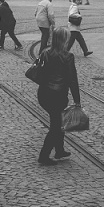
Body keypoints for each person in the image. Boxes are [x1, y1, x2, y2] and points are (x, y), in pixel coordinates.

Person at [35, 27, 79, 166]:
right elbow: (72, 80)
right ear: (64, 40)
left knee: (58, 121)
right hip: (58, 96)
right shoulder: (68, 56)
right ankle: (44, 155)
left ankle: (59, 150)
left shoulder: (45, 53)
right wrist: (77, 100)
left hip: (44, 94)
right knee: (56, 126)